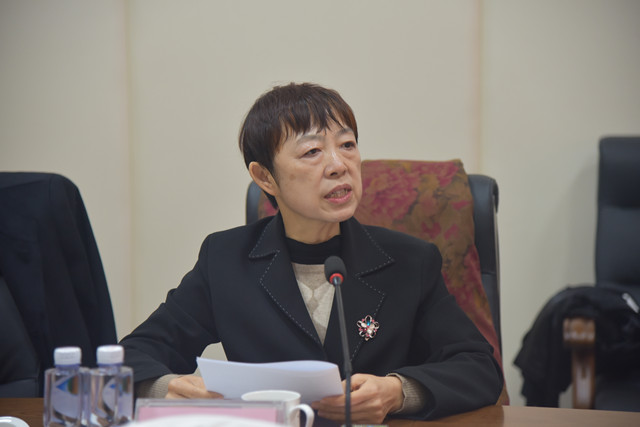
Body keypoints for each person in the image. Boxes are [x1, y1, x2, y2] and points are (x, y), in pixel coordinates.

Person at [119, 82, 503, 422]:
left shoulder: (410, 261)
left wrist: (398, 392)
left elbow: (479, 367)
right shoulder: (225, 259)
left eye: (347, 145)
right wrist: (168, 387)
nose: (339, 165)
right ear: (265, 177)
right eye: (312, 152)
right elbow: (132, 355)